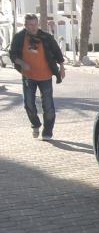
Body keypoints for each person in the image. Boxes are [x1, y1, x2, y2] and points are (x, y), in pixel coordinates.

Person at [9, 13, 65, 141]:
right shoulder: (19, 37)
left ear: (38, 24)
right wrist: (22, 63)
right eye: (30, 25)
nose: (34, 27)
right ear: (25, 25)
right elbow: (13, 55)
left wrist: (61, 67)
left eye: (35, 24)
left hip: (45, 76)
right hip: (28, 76)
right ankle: (35, 124)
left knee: (48, 105)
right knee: (28, 104)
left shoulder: (46, 37)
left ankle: (47, 131)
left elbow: (57, 51)